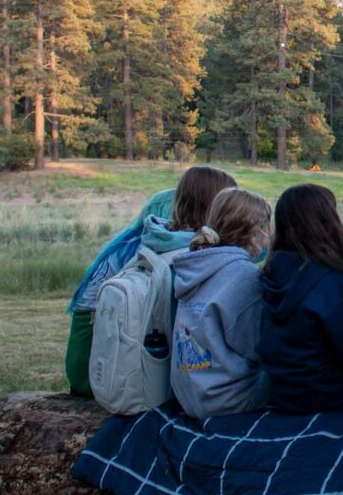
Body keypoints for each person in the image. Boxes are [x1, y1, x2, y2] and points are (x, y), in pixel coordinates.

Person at [64, 165, 237, 396]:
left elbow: (85, 310)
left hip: (93, 369)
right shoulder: (194, 251)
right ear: (214, 207)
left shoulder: (137, 241)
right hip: (123, 375)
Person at [257, 184, 343, 413]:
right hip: (330, 395)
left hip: (284, 393)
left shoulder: (271, 271)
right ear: (327, 222)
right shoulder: (332, 282)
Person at [170, 188, 274, 420]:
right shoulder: (244, 276)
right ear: (254, 232)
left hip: (189, 396)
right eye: (267, 227)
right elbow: (257, 346)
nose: (270, 235)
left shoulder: (196, 266)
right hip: (227, 400)